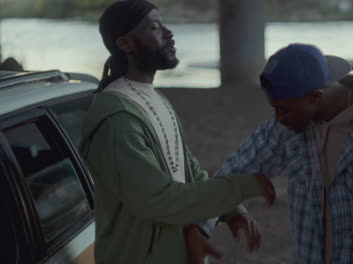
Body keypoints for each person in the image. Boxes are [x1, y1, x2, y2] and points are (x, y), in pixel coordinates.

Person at [78, 1, 275, 263]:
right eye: (155, 27)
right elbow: (157, 199)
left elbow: (188, 170)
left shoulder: (154, 99)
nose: (169, 33)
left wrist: (231, 210)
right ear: (125, 44)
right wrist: (243, 186)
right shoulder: (117, 122)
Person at [216, 43, 353, 263]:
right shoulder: (291, 122)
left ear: (315, 97)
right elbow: (236, 171)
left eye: (283, 110)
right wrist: (213, 216)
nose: (278, 118)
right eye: (275, 108)